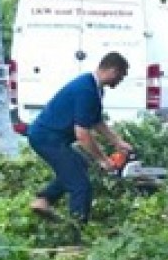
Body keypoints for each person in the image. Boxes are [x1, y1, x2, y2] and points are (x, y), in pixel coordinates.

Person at [27, 51, 133, 223]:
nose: (120, 81)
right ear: (113, 71)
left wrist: (118, 142)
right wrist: (103, 160)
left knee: (79, 165)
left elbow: (97, 122)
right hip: (47, 139)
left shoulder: (94, 87)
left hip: (51, 137)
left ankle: (43, 200)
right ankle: (76, 234)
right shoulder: (86, 90)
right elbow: (82, 134)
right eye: (121, 76)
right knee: (80, 186)